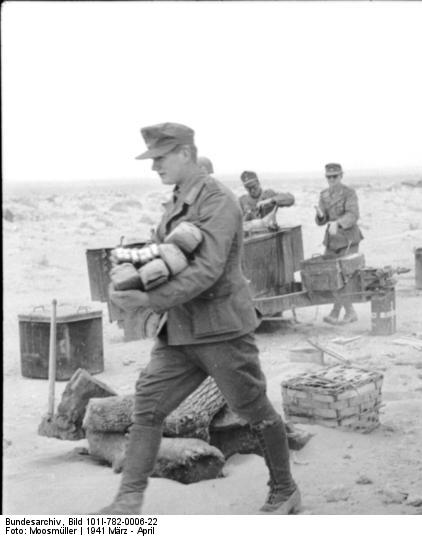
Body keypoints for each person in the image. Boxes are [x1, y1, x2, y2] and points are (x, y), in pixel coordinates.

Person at [96, 123, 301, 515]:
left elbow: (206, 270)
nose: (154, 166)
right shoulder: (178, 199)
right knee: (148, 408)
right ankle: (127, 502)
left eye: (160, 157)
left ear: (186, 154)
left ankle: (285, 489)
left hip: (221, 329)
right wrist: (135, 265)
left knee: (255, 410)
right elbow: (172, 255)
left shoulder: (217, 200)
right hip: (180, 331)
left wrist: (148, 298)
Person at [315, 162, 364, 324]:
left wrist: (339, 223)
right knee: (330, 274)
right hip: (332, 241)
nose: (331, 179)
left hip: (348, 239)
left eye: (335, 176)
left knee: (345, 276)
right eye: (329, 177)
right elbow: (321, 221)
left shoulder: (349, 193)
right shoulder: (324, 195)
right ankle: (338, 312)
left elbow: (353, 214)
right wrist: (320, 216)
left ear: (341, 176)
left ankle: (345, 312)